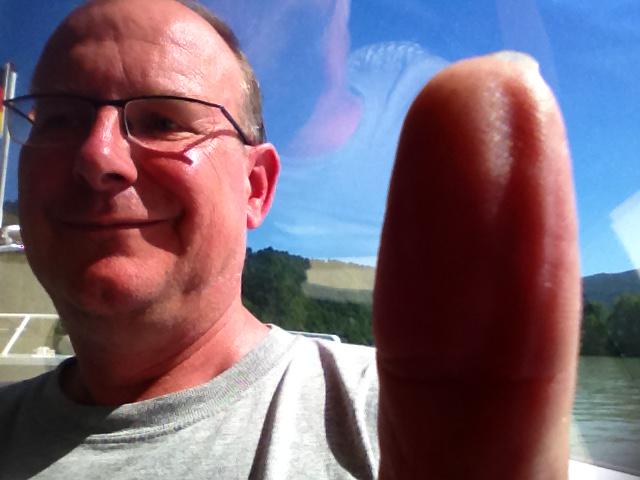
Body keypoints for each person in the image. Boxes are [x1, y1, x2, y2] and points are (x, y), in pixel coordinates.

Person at [0, 0, 580, 479]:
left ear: (256, 187)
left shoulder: (397, 421)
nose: (98, 156)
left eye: (163, 121)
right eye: (59, 120)